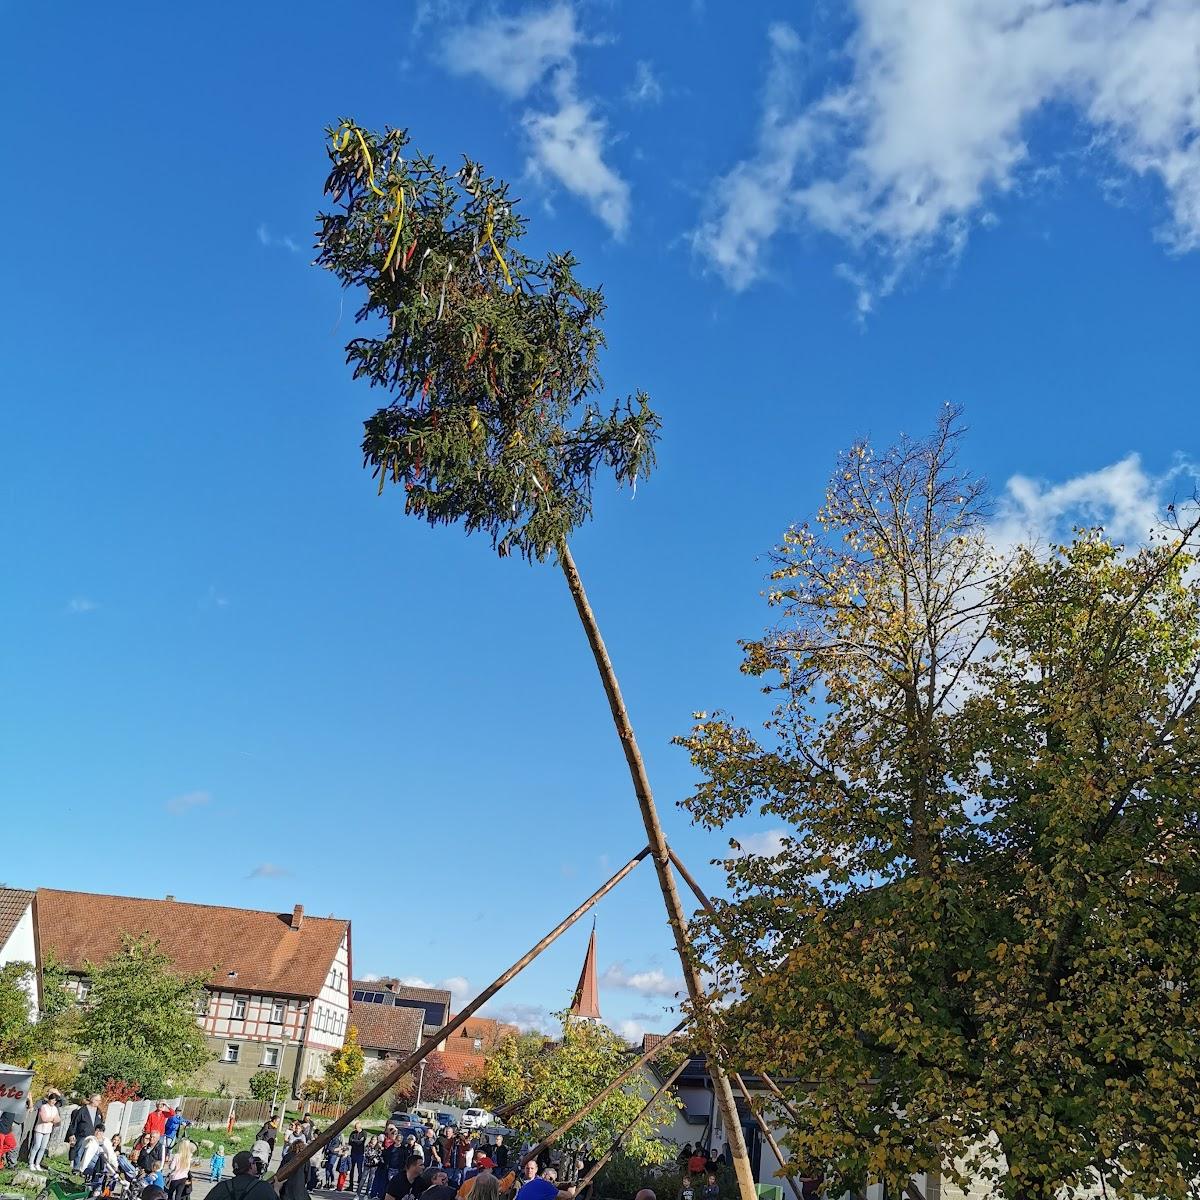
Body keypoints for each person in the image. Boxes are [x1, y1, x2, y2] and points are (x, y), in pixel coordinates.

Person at [206, 1151, 278, 1200]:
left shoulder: (221, 1186)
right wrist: (276, 1190)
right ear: (251, 1166)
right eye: (254, 1163)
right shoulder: (264, 1187)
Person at [67, 1094, 104, 1168]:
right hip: (82, 1135)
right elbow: (75, 1122)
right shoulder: (83, 1110)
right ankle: (76, 1168)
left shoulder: (98, 1112)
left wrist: (100, 1133)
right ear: (92, 1100)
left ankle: (85, 1169)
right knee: (79, 1152)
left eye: (99, 1100)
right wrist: (72, 1134)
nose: (99, 1102)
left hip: (94, 1136)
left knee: (89, 1153)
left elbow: (101, 1123)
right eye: (97, 1100)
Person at [28, 1089, 61, 1170]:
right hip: (40, 1129)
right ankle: (31, 1163)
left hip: (48, 1130)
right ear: (49, 1099)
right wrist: (53, 1119)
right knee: (37, 1146)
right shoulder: (43, 1107)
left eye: (55, 1100)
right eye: (52, 1100)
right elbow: (44, 1118)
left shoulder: (55, 1109)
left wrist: (53, 1119)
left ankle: (37, 1163)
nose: (53, 1102)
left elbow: (58, 1120)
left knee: (43, 1148)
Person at [349, 1122, 368, 1189]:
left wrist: (354, 1141)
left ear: (360, 1127)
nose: (356, 1129)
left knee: (359, 1170)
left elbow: (361, 1142)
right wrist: (356, 1141)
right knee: (351, 1169)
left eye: (357, 1127)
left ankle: (359, 1185)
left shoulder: (364, 1133)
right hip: (353, 1153)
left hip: (360, 1154)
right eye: (355, 1127)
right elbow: (350, 1142)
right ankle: (350, 1185)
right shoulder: (353, 1133)